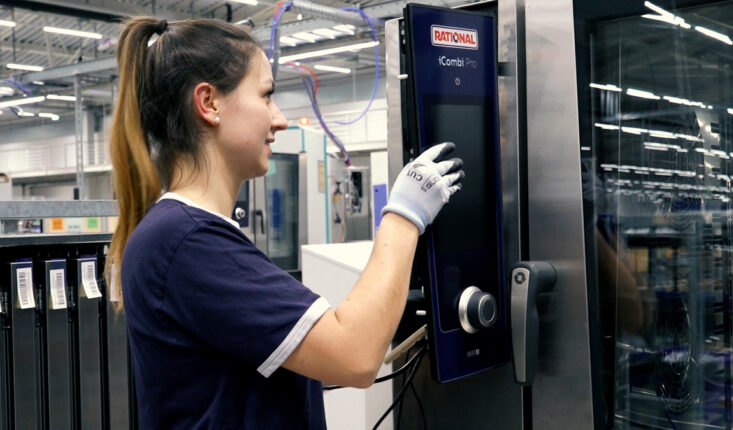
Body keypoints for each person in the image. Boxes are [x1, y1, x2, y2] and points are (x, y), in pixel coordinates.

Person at [106, 17, 464, 429]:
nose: (279, 120)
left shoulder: (189, 234)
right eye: (266, 96)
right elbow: (357, 355)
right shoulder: (185, 241)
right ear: (209, 103)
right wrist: (404, 216)